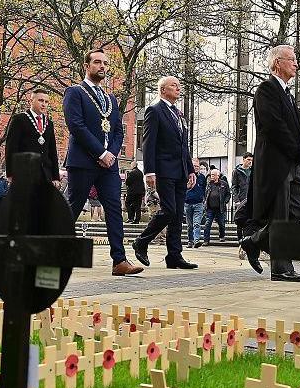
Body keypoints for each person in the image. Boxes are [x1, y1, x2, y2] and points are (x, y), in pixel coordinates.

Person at [63, 48, 143, 276]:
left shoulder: (110, 98)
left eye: (105, 63)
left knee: (114, 208)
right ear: (86, 66)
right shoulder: (74, 92)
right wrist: (100, 153)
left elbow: (117, 130)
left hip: (109, 164)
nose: (102, 67)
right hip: (83, 161)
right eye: (97, 62)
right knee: (74, 206)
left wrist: (112, 154)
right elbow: (76, 126)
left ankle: (119, 260)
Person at [239, 45, 300, 282]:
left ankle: (254, 241)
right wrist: (296, 149)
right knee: (279, 214)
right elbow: (273, 126)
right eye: (292, 59)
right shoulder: (266, 90)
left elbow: (296, 128)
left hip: (292, 163)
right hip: (276, 162)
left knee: (298, 209)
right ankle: (281, 267)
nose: (296, 64)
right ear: (278, 63)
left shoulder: (288, 94)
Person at [131, 76, 197, 270]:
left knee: (177, 215)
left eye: (179, 86)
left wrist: (191, 170)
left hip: (181, 171)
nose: (178, 88)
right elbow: (148, 143)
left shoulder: (179, 114)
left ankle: (174, 256)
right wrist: (149, 171)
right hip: (164, 170)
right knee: (169, 210)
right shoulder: (155, 110)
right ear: (162, 90)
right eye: (173, 86)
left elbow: (183, 145)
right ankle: (141, 242)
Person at [5, 88, 61, 187]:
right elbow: (11, 148)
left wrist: (56, 176)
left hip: (45, 173)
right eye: (40, 100)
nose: (44, 104)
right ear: (31, 101)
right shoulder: (19, 119)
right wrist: (10, 173)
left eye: (46, 102)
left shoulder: (49, 123)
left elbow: (52, 151)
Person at [202, 169, 230, 245]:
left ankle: (222, 236)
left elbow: (228, 194)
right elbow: (205, 194)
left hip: (220, 208)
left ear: (218, 175)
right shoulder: (209, 184)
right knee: (207, 224)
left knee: (221, 223)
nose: (212, 176)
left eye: (214, 175)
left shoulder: (223, 184)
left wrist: (225, 201)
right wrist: (205, 202)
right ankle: (206, 240)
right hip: (210, 208)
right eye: (211, 175)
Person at [184, 159, 207, 248]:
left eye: (197, 166)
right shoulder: (187, 176)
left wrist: (204, 200)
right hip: (188, 203)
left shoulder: (202, 177)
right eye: (194, 166)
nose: (196, 168)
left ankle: (196, 240)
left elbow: (204, 189)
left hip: (198, 203)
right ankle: (190, 241)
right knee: (190, 225)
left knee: (197, 223)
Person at [232, 152, 253, 241]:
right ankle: (240, 240)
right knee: (240, 220)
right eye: (248, 159)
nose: (250, 162)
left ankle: (248, 239)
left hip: (251, 200)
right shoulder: (237, 171)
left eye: (251, 160)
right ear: (243, 159)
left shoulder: (253, 171)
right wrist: (236, 200)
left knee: (250, 221)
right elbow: (234, 187)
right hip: (241, 200)